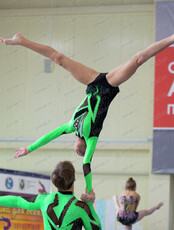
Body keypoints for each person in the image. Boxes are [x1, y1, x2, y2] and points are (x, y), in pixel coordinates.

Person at [0, 33, 174, 194]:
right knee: (139, 58)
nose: (78, 151)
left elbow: (49, 136)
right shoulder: (92, 138)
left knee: (58, 58)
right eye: (80, 152)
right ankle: (171, 38)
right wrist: (89, 188)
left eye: (77, 151)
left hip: (91, 83)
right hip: (108, 86)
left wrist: (29, 149)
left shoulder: (70, 127)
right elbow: (86, 166)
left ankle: (20, 40)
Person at [0, 161, 101, 230]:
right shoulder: (81, 208)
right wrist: (90, 204)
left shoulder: (44, 199)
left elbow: (16, 201)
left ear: (54, 181)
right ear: (74, 178)